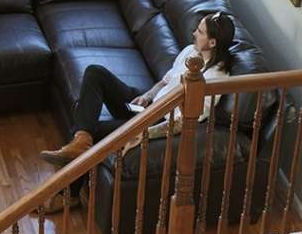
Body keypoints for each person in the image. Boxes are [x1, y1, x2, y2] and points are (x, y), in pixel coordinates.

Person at [40, 11, 236, 167]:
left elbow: (183, 123)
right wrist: (147, 95)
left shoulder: (215, 79)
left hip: (155, 119)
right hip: (147, 104)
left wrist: (144, 133)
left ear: (213, 42)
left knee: (92, 129)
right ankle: (80, 141)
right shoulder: (190, 51)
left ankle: (68, 192)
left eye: (200, 32)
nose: (194, 33)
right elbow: (165, 81)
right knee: (95, 72)